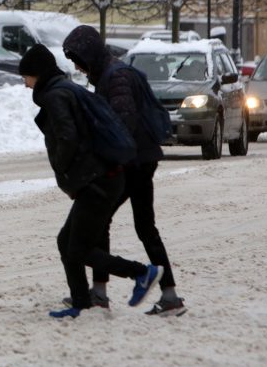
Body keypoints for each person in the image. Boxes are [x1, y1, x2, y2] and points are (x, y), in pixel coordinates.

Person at [19, 43, 161, 319]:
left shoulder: (56, 96)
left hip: (98, 181)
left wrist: (64, 170)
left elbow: (68, 137)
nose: (24, 84)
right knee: (66, 242)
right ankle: (81, 301)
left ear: (37, 73)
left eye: (25, 76)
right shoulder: (66, 89)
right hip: (103, 178)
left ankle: (142, 273)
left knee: (78, 249)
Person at [62, 25, 186, 316]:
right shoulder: (110, 73)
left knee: (102, 220)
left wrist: (105, 157)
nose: (77, 66)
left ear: (90, 53)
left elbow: (122, 122)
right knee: (144, 227)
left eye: (78, 59)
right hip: (141, 158)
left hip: (134, 162)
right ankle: (169, 296)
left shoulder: (115, 77)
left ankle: (102, 293)